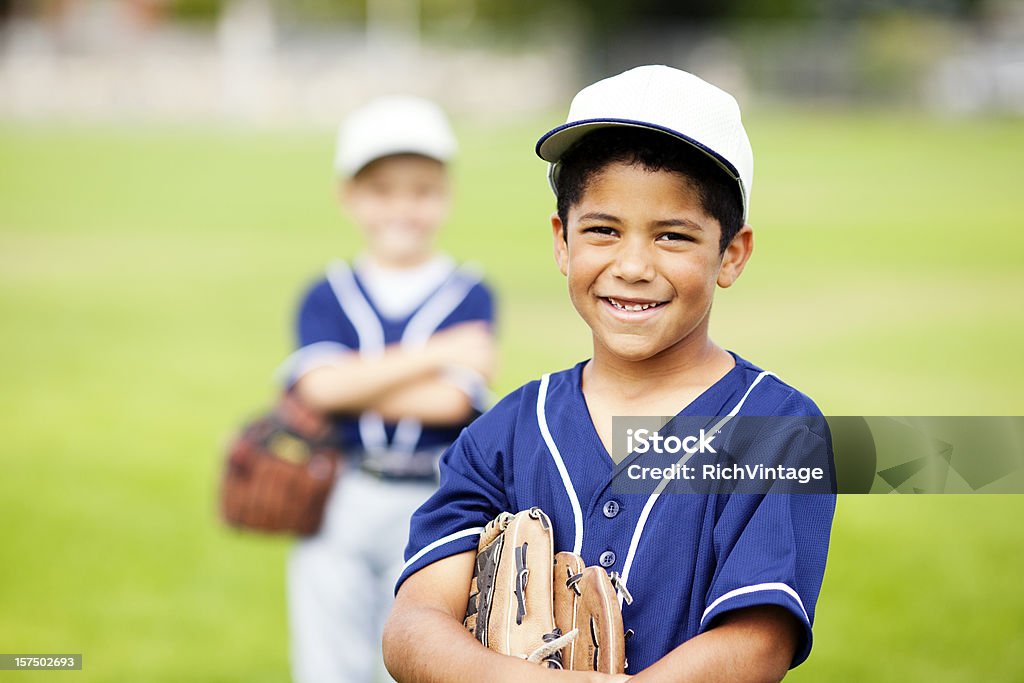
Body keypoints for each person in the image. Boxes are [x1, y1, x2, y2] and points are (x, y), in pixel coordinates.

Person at [382, 65, 835, 682]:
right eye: (602, 230)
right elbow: (413, 627)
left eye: (673, 236)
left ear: (731, 254)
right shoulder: (506, 433)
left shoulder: (776, 429)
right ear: (562, 241)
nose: (633, 265)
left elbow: (758, 646)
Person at [281, 95, 497, 683]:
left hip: (432, 497)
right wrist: (436, 354)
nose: (404, 207)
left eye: (422, 190)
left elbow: (450, 402)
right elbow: (320, 390)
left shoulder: (469, 291)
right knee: (329, 660)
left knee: (413, 655)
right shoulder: (326, 292)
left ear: (446, 194)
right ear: (349, 196)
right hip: (341, 491)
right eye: (382, 190)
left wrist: (357, 382)